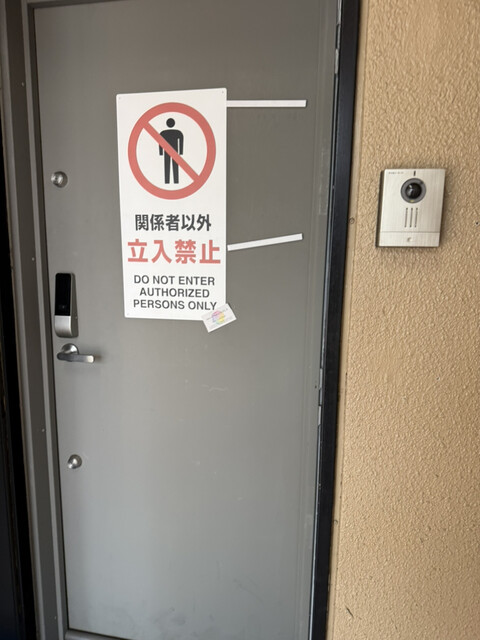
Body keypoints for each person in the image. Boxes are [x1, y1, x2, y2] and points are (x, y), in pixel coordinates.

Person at [159, 118, 184, 184]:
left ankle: (167, 181)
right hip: (175, 151)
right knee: (175, 166)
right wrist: (181, 152)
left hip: (167, 151)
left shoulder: (163, 133)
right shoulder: (178, 132)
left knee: (167, 166)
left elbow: (160, 143)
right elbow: (181, 141)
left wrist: (161, 152)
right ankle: (176, 181)